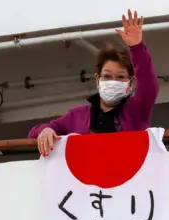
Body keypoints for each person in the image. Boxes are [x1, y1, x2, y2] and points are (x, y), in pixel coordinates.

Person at [28, 9, 159, 157]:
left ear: (130, 84)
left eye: (121, 77)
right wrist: (45, 131)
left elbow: (149, 88)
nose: (113, 82)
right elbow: (35, 133)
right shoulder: (77, 116)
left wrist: (137, 47)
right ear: (97, 80)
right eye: (107, 76)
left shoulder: (136, 111)